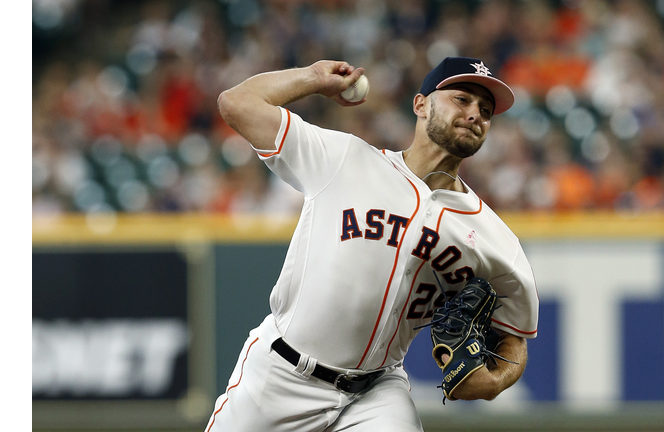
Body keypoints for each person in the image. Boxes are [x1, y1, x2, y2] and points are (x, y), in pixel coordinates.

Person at [205, 57, 539, 432]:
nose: (475, 113)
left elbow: (516, 335)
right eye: (461, 99)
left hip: (376, 393)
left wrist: (494, 381)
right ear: (421, 104)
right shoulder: (343, 161)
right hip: (281, 376)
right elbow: (237, 103)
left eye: (486, 110)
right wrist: (313, 79)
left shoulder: (493, 239)